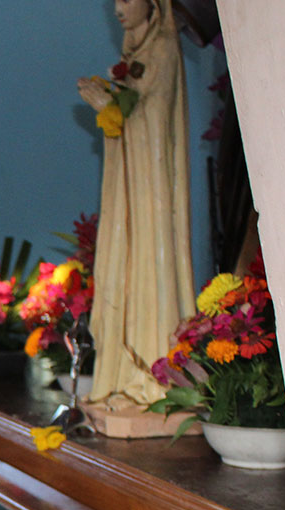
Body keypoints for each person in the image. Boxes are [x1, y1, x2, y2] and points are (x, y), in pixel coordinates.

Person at [78, 0, 196, 409]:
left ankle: (151, 379)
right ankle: (124, 376)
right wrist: (109, 105)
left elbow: (153, 125)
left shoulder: (162, 51)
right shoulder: (134, 56)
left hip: (151, 196)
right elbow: (131, 114)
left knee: (149, 267)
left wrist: (108, 108)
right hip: (132, 192)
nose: (117, 9)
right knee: (124, 269)